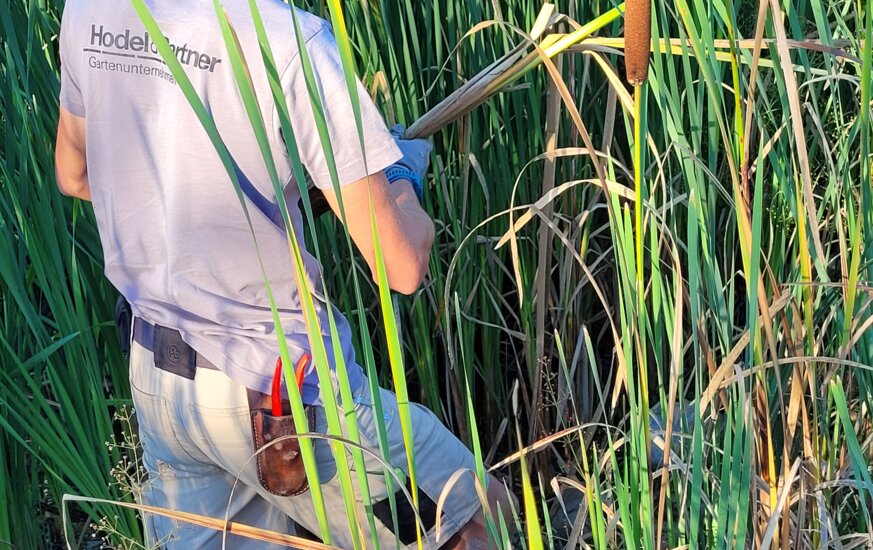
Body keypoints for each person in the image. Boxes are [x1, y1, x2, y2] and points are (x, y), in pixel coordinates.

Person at [54, 0, 514, 548]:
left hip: (162, 390)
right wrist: (396, 176)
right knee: (480, 521)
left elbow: (74, 174)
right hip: (279, 399)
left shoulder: (93, 10)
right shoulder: (292, 45)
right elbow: (403, 267)